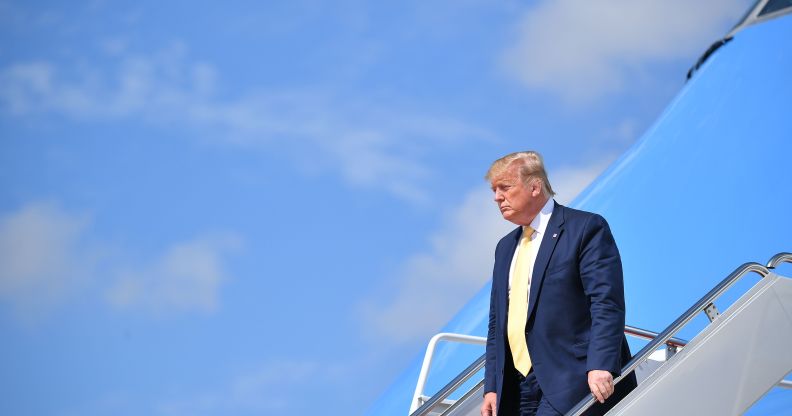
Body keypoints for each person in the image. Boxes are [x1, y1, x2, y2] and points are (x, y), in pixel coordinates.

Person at [480, 151, 636, 416]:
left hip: (572, 377)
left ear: (534, 186)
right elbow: (498, 323)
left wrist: (601, 365)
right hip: (517, 388)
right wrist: (492, 386)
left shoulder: (585, 228)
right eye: (495, 190)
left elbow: (605, 302)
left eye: (505, 187)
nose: (497, 197)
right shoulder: (505, 248)